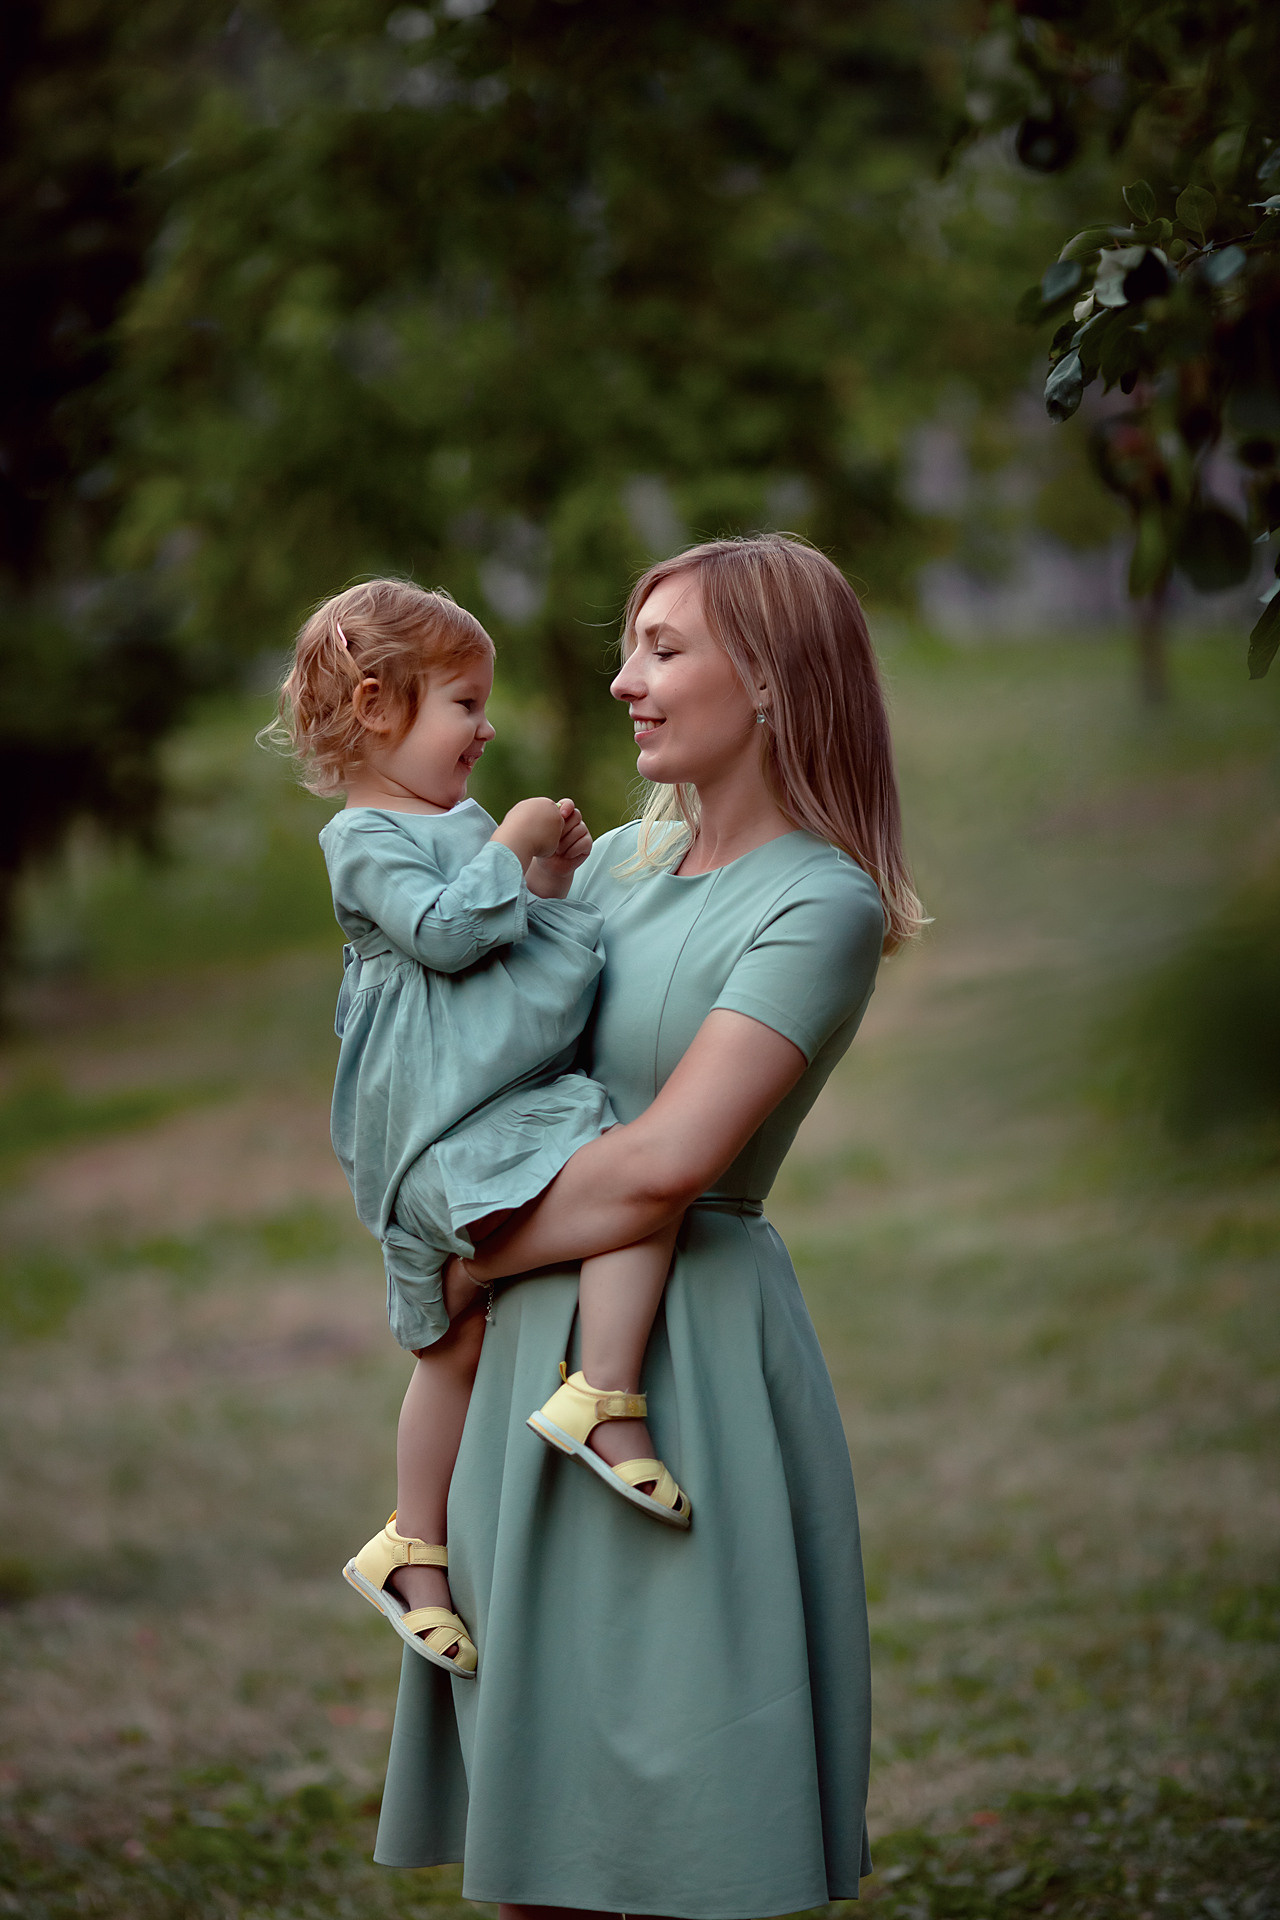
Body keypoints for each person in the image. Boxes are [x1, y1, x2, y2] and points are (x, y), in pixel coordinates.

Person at [372, 533, 927, 1920]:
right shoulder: (611, 864)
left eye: (664, 649)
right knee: (540, 1846)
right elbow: (473, 1058)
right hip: (521, 1367)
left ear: (780, 680)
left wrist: (463, 1257)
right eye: (631, 644)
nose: (626, 680)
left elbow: (672, 1160)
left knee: (686, 1842)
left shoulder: (822, 902)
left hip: (680, 1370)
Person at [270, 579, 692, 1682]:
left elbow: (511, 952)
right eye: (463, 702)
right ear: (376, 704)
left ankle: (412, 1544)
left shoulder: (454, 824)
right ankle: (600, 1394)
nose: (485, 725)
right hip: (436, 1129)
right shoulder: (362, 838)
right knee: (633, 1178)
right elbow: (450, 940)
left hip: (487, 1108)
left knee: (450, 1345)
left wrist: (542, 874)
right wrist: (507, 845)